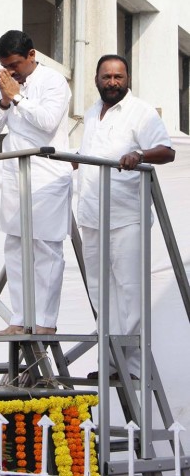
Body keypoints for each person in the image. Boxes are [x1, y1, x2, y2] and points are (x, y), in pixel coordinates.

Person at [75, 54, 175, 379]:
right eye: (107, 77)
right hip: (91, 215)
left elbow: (167, 150)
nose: (113, 82)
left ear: (127, 78)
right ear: (96, 79)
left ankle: (132, 368)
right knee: (99, 290)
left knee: (130, 290)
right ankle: (110, 362)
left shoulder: (141, 112)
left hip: (125, 216)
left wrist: (139, 154)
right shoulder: (91, 114)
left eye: (119, 76)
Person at [0, 30, 73, 335]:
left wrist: (18, 97)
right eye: (6, 66)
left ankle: (45, 322)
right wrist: (5, 102)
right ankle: (20, 319)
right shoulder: (5, 85)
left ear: (32, 56)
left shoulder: (54, 81)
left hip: (47, 177)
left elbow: (48, 122)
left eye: (16, 65)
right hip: (14, 177)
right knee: (16, 247)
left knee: (46, 249)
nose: (11, 72)